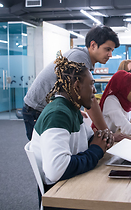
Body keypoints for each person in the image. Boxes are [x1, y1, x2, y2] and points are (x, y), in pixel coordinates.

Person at [30, 55, 113, 204]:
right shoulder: (58, 114)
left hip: (71, 183)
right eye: (91, 84)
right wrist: (96, 150)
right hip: (61, 194)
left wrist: (102, 138)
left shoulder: (72, 108)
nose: (94, 90)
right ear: (77, 85)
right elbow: (56, 170)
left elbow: (88, 141)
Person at [23, 25, 119, 140]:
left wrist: (76, 109)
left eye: (112, 50)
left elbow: (71, 89)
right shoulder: (79, 58)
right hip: (38, 109)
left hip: (49, 107)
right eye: (107, 49)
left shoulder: (85, 59)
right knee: (44, 152)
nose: (110, 55)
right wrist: (107, 132)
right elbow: (90, 99)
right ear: (93, 45)